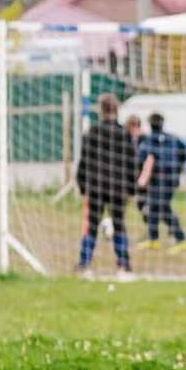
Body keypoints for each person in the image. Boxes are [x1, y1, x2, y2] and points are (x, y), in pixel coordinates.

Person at [76, 92, 137, 278]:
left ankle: (84, 263)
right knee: (119, 224)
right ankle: (123, 263)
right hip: (118, 187)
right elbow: (131, 163)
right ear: (117, 110)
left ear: (100, 111)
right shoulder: (124, 134)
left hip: (96, 186)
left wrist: (82, 185)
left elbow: (84, 162)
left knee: (92, 225)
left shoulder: (92, 133)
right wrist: (131, 188)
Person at [134, 113, 186, 253]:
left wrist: (141, 177)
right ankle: (153, 239)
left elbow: (140, 160)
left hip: (157, 180)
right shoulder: (173, 138)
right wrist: (177, 165)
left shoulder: (148, 141)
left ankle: (182, 240)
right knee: (154, 208)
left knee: (163, 209)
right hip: (172, 178)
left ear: (150, 124)